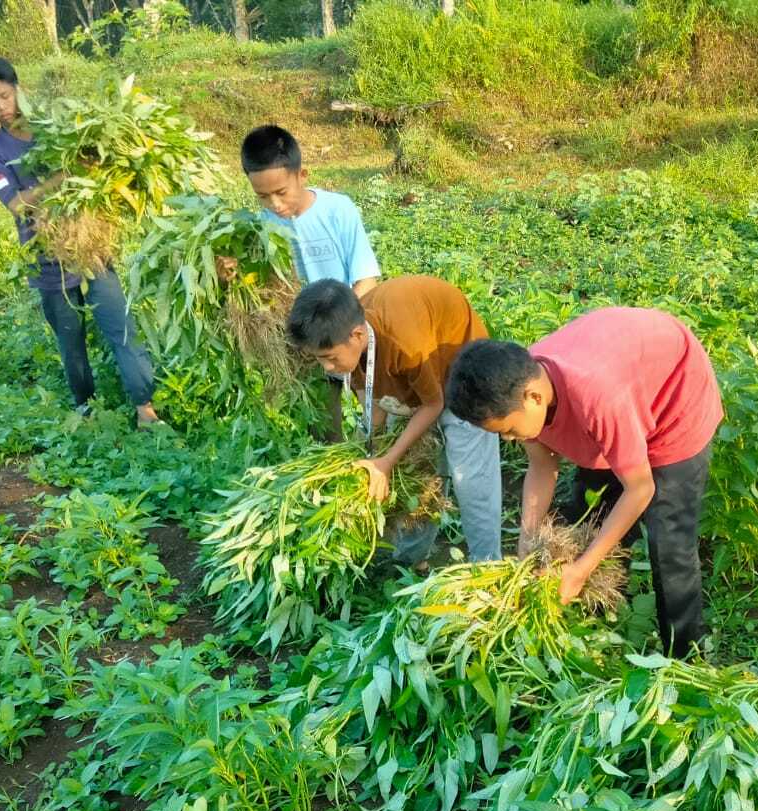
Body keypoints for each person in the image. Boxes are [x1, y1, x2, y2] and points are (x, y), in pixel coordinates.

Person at [444, 307, 723, 656]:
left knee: (669, 541)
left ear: (534, 397)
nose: (511, 440)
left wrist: (581, 568)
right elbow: (542, 469)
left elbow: (641, 489)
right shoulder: (519, 388)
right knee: (591, 513)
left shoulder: (598, 399)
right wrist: (527, 543)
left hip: (674, 396)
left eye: (511, 431)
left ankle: (684, 655)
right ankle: (600, 614)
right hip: (622, 384)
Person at [0, 56, 161, 428]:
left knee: (120, 326)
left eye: (5, 97)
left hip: (91, 248)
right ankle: (87, 410)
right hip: (47, 260)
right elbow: (15, 204)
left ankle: (145, 409)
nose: (1, 108)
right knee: (71, 343)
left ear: (18, 90)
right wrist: (60, 178)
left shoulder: (55, 127)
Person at [287, 276, 502, 561]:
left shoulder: (403, 342)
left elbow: (434, 403)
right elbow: (374, 398)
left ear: (358, 336)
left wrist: (387, 461)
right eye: (318, 359)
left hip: (464, 376)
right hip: (419, 374)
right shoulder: (349, 335)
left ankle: (487, 565)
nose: (327, 367)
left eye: (330, 358)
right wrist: (370, 447)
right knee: (414, 474)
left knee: (471, 477)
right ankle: (409, 560)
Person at [242, 124, 381, 297]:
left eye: (281, 192)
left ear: (302, 176)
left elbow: (367, 281)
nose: (275, 204)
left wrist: (339, 320)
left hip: (342, 317)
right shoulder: (261, 226)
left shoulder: (338, 211)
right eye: (263, 196)